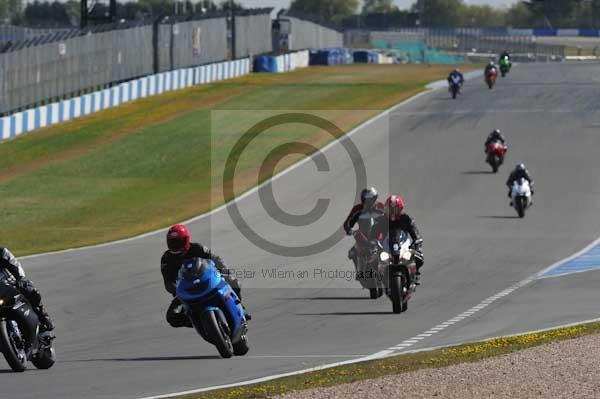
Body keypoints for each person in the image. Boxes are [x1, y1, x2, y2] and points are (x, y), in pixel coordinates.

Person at [160, 224, 248, 328]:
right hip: (186, 291)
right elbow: (168, 281)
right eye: (172, 242)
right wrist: (176, 291)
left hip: (208, 282)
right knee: (171, 317)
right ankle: (199, 323)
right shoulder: (166, 259)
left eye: (178, 242)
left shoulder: (197, 248)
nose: (176, 245)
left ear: (186, 240)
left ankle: (240, 309)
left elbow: (215, 258)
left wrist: (224, 271)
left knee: (234, 283)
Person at [0, 247, 54, 333]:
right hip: (1, 295)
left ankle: (43, 316)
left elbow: (15, 265)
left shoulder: (2, 252)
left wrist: (20, 278)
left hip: (11, 287)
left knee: (28, 288)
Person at [382, 196, 424, 285]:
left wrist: (417, 240)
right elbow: (374, 231)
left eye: (395, 210)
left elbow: (414, 231)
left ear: (400, 209)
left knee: (418, 256)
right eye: (390, 210)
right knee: (373, 257)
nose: (393, 212)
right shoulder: (383, 219)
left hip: (404, 245)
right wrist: (371, 240)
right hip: (387, 246)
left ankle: (416, 273)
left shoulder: (406, 219)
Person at [343, 187, 385, 268]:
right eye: (366, 199)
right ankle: (359, 271)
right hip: (363, 235)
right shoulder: (357, 208)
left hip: (379, 235)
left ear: (375, 198)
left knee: (391, 249)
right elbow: (347, 222)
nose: (368, 202)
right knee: (353, 252)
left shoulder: (380, 206)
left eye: (370, 199)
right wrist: (349, 230)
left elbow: (389, 218)